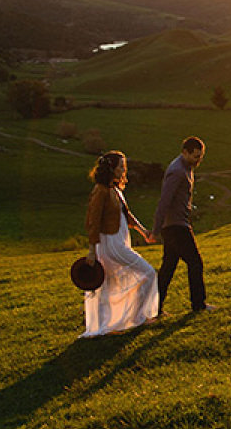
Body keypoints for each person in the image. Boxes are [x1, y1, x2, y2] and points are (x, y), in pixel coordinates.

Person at [80, 150, 159, 338]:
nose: (124, 170)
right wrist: (92, 251)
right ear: (111, 169)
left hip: (119, 240)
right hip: (111, 244)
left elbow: (127, 215)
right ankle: (136, 317)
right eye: (121, 167)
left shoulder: (115, 189)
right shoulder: (100, 190)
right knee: (147, 273)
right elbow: (93, 221)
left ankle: (120, 321)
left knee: (109, 285)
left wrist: (143, 231)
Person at [153, 136, 211, 314]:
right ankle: (198, 305)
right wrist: (156, 229)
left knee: (168, 268)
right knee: (195, 262)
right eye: (195, 156)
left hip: (175, 224)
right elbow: (164, 200)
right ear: (184, 152)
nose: (198, 160)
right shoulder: (177, 171)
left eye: (200, 157)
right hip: (176, 226)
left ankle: (154, 307)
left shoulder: (185, 167)